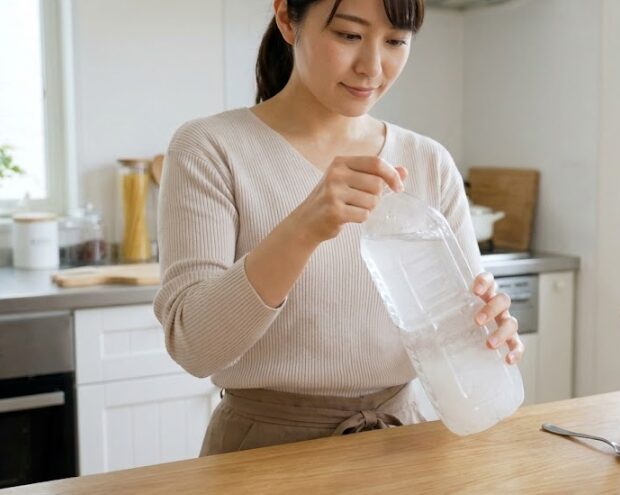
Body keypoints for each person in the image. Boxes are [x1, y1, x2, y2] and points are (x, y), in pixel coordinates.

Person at [154, 0, 524, 456]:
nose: (372, 66)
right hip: (261, 454)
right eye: (349, 35)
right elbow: (194, 347)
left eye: (395, 42)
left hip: (403, 445)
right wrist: (304, 227)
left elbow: (459, 329)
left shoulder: (430, 162)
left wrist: (490, 332)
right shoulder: (210, 149)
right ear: (288, 18)